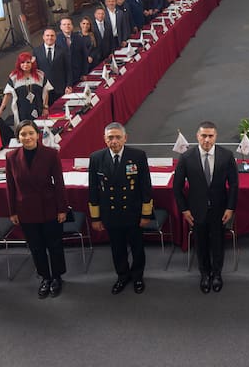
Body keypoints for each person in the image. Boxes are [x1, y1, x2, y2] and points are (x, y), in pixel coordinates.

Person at [173, 121, 239, 294]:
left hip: (220, 210)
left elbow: (233, 185)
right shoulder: (186, 157)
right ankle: (204, 274)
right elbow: (177, 187)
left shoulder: (226, 156)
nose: (207, 139)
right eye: (204, 135)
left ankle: (217, 274)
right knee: (200, 244)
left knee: (218, 243)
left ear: (216, 136)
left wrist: (230, 208)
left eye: (210, 136)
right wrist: (184, 210)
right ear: (197, 136)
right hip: (196, 211)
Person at [88, 123, 153, 295]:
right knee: (117, 248)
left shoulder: (138, 156)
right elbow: (93, 189)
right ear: (104, 139)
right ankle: (122, 276)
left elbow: (146, 186)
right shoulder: (96, 158)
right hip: (111, 213)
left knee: (137, 247)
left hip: (133, 213)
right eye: (110, 137)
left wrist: (146, 213)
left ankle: (138, 276)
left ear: (125, 138)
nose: (114, 141)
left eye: (118, 137)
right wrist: (96, 217)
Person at [6, 120, 67, 298]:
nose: (27, 137)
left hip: (49, 207)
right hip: (25, 210)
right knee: (36, 247)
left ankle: (57, 277)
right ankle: (45, 277)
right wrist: (12, 211)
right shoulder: (11, 156)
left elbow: (59, 184)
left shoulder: (50, 154)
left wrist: (62, 208)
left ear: (37, 134)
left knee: (54, 245)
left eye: (30, 133)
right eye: (23, 134)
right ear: (18, 137)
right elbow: (10, 185)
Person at [0, 52, 53, 126]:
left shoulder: (40, 75)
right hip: (22, 111)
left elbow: (46, 91)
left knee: (40, 129)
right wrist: (0, 110)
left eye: (28, 62)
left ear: (32, 63)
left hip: (38, 108)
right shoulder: (14, 77)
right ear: (19, 64)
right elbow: (8, 95)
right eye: (22, 62)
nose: (25, 65)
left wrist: (45, 107)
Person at [32, 27, 72, 107]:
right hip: (44, 90)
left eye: (52, 35)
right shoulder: (36, 51)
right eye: (47, 35)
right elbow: (35, 70)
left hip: (60, 88)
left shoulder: (63, 50)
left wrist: (69, 85)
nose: (50, 38)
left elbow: (68, 69)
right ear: (43, 37)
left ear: (55, 37)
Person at [56, 16, 87, 84]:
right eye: (64, 24)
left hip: (78, 73)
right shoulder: (56, 40)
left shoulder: (79, 38)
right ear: (60, 27)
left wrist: (84, 73)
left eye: (69, 24)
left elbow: (84, 56)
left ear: (72, 26)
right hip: (64, 75)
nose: (67, 26)